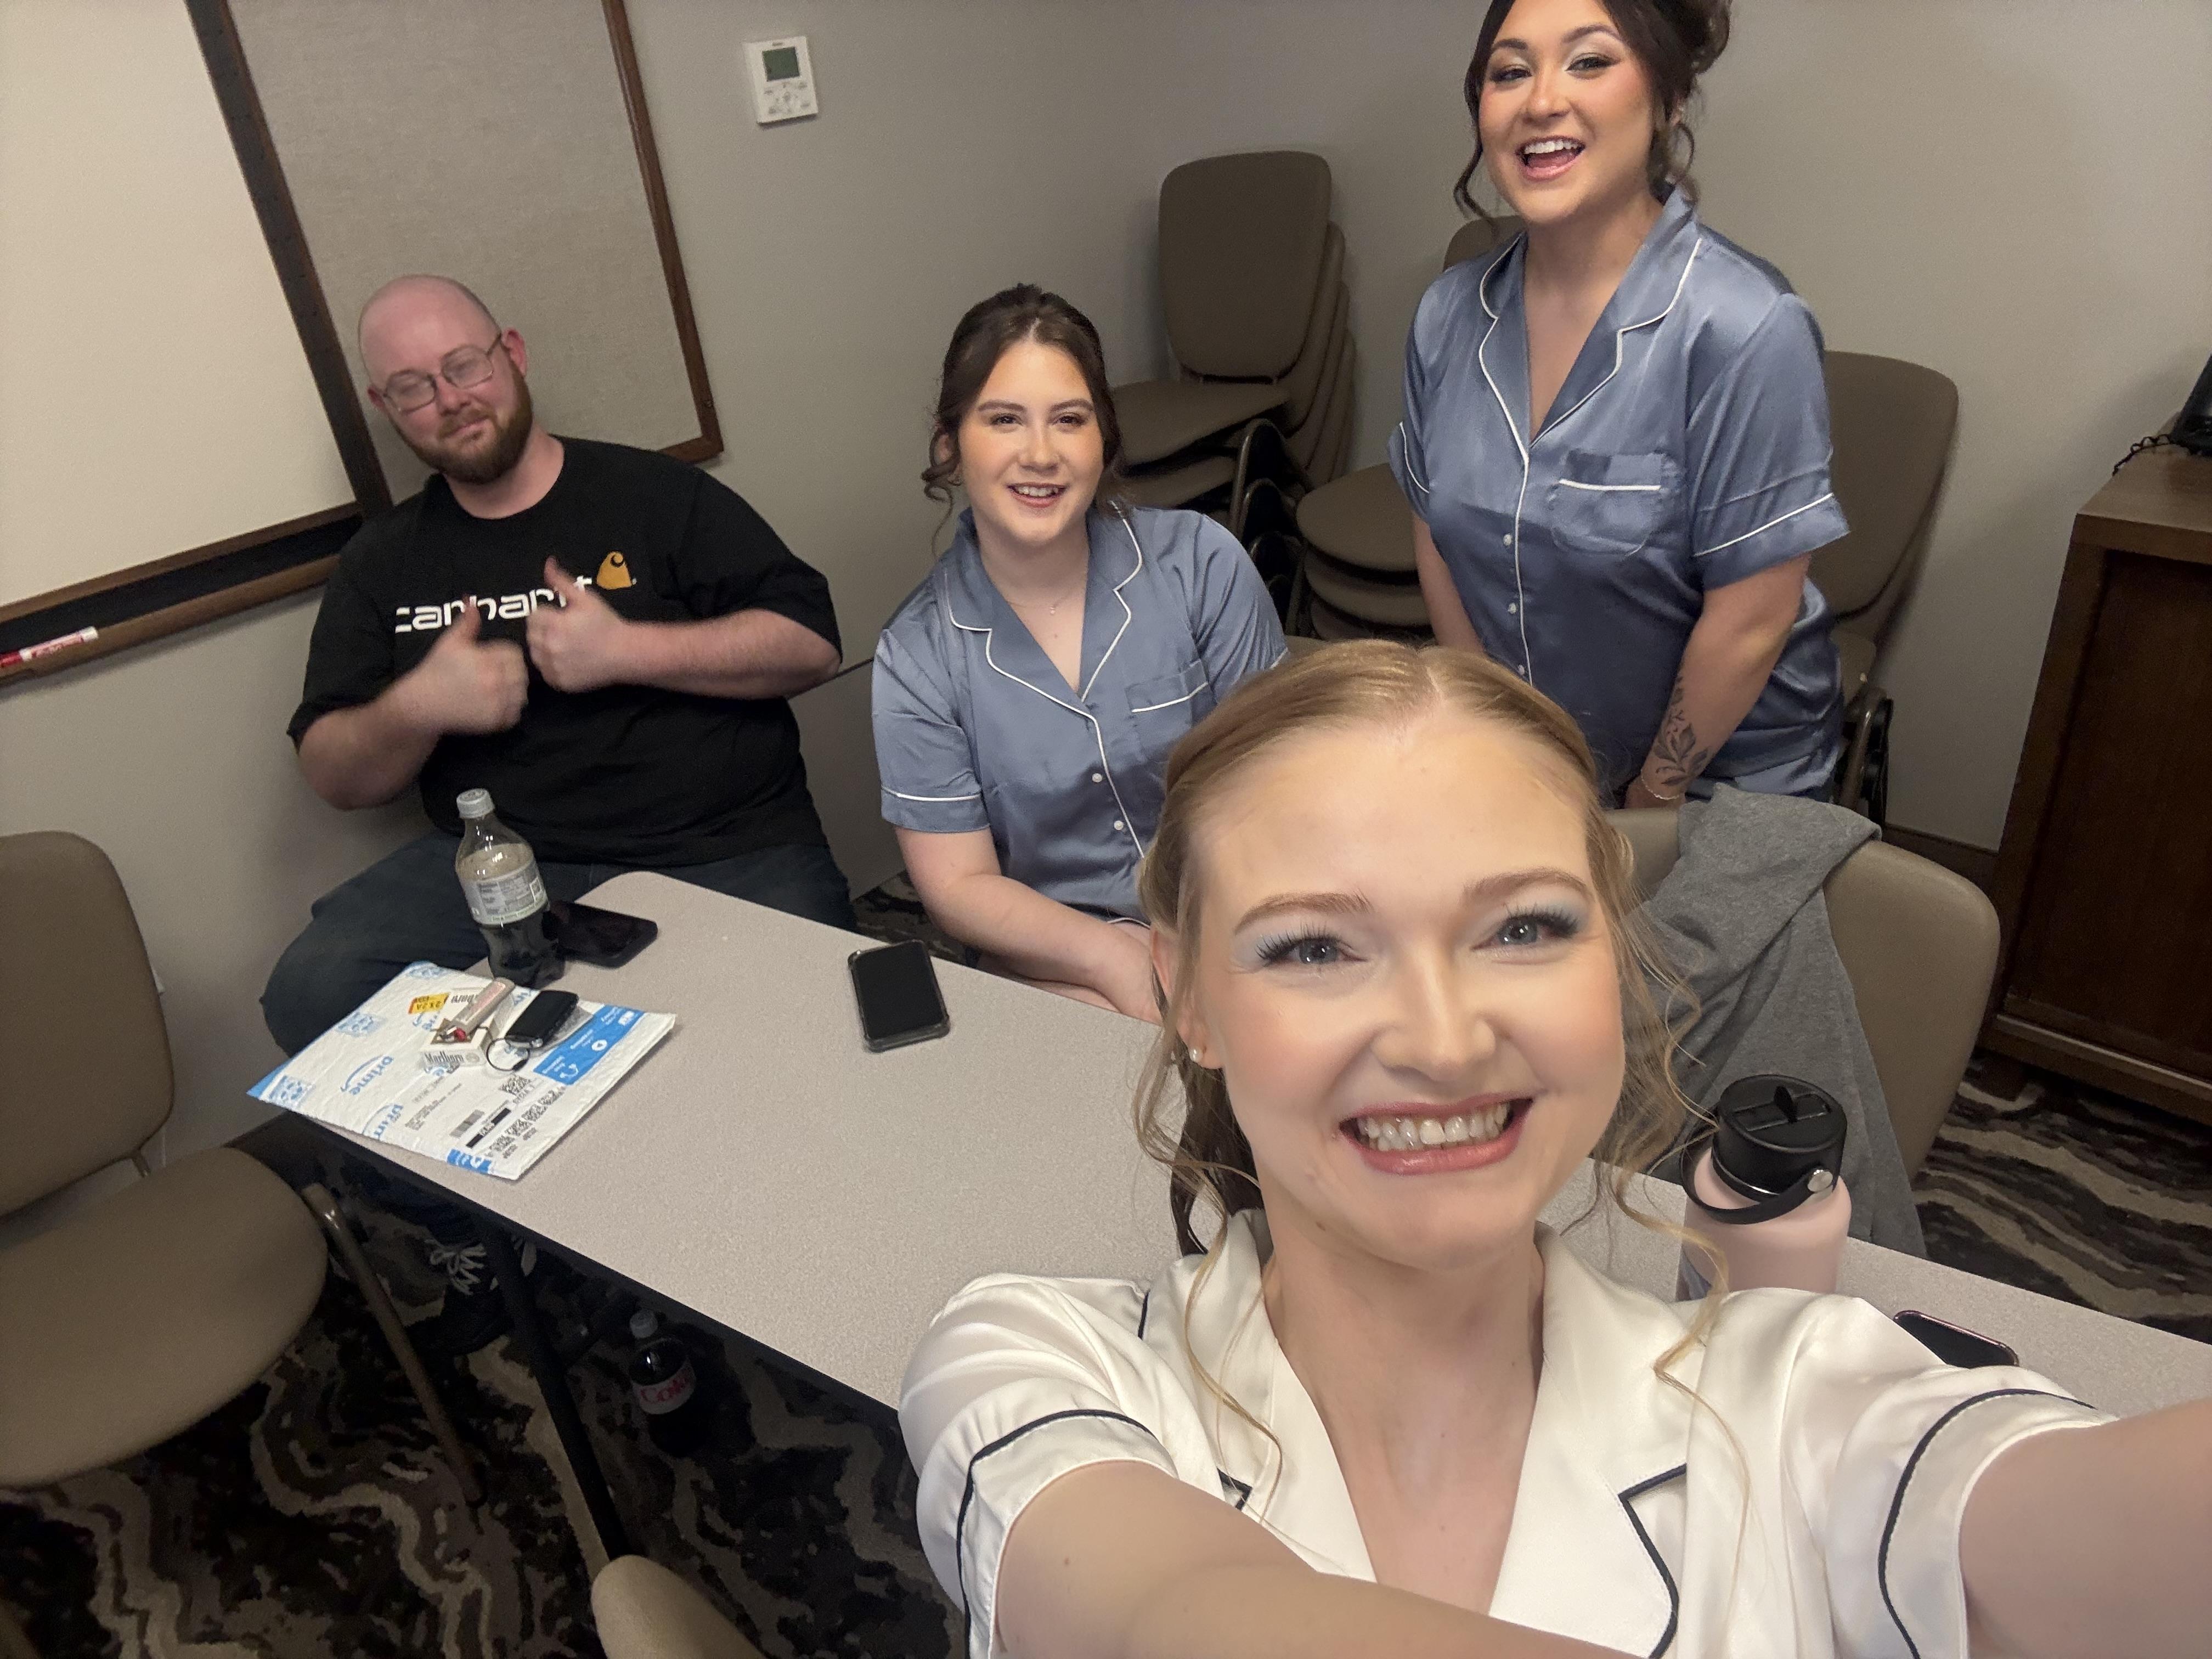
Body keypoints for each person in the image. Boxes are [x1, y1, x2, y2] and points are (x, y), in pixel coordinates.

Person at [900, 640, 2210, 1659]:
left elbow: (2103, 1534)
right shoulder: (1039, 1361)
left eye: (1524, 928)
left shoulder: (1810, 1392)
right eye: (1313, 947)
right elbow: (1172, 1617)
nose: (1444, 1040)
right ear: (1188, 996)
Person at [264, 273, 853, 1348]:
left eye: (465, 365)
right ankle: (497, 1228)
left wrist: (631, 650)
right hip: (506, 864)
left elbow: (810, 645)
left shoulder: (655, 497)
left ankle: (762, 1245)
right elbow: (335, 771)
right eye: (414, 387)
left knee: (808, 1025)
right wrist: (421, 705)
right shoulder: (385, 561)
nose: (450, 398)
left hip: (723, 843)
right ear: (386, 408)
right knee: (315, 988)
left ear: (514, 353)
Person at [1392, 0, 1846, 806]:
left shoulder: (1745, 326)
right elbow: (1437, 536)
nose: (1542, 101)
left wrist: (1648, 801)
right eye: (1510, 72)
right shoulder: (1448, 314)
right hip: (1533, 764)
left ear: (1670, 101)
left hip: (1713, 784)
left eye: (1590, 62)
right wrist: (1496, 739)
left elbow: (1752, 620)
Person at [872, 285, 1284, 1019]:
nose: (1041, 455)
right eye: (1004, 420)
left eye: (1069, 419)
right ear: (949, 446)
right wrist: (1114, 959)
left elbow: (1281, 779)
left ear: (1104, 440)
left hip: (1239, 904)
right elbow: (959, 885)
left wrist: (1213, 941)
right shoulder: (917, 658)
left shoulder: (1201, 564)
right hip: (1058, 948)